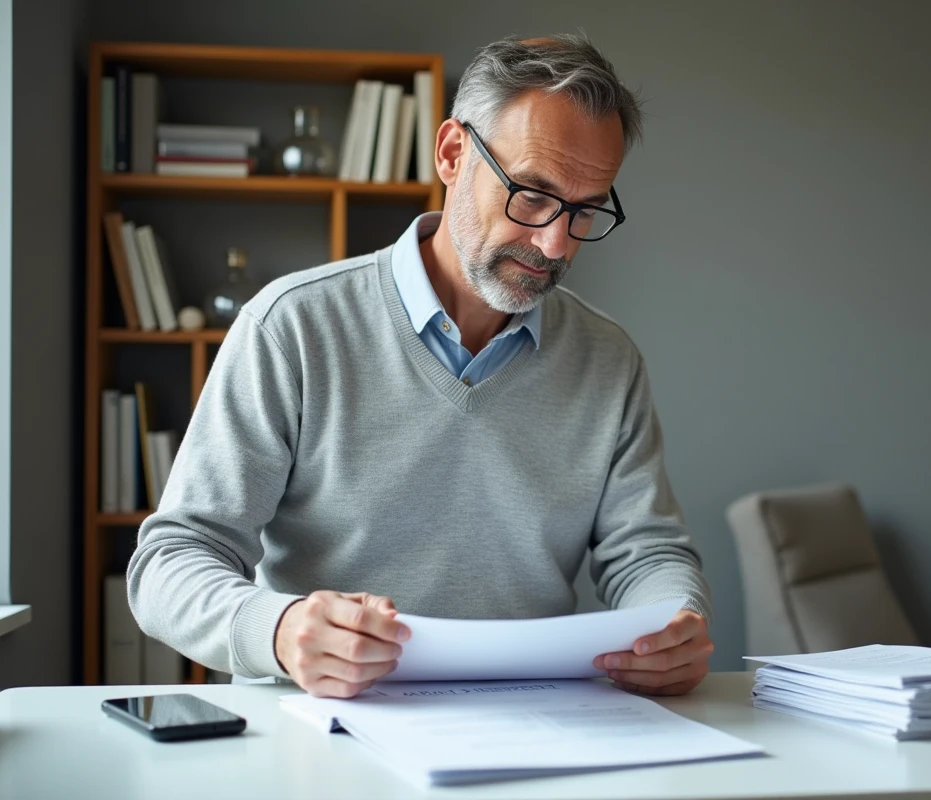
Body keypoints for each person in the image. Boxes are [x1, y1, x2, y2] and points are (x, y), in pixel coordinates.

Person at [128, 34, 713, 699]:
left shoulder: (607, 359)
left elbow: (648, 553)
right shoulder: (292, 327)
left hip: (535, 724)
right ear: (452, 153)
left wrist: (673, 623)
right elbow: (170, 562)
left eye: (584, 210)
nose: (555, 244)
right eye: (532, 194)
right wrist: (281, 629)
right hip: (320, 723)